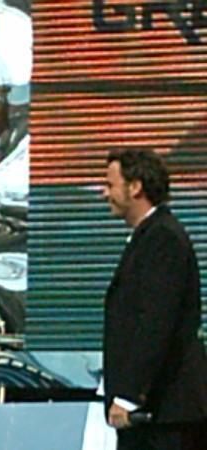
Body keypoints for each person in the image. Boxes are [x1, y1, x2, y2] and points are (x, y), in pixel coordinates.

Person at [102, 148, 207, 450]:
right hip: (152, 415)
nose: (104, 193)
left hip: (165, 416)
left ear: (135, 187)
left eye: (110, 185)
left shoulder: (163, 238)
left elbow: (155, 323)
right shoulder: (149, 236)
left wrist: (128, 396)